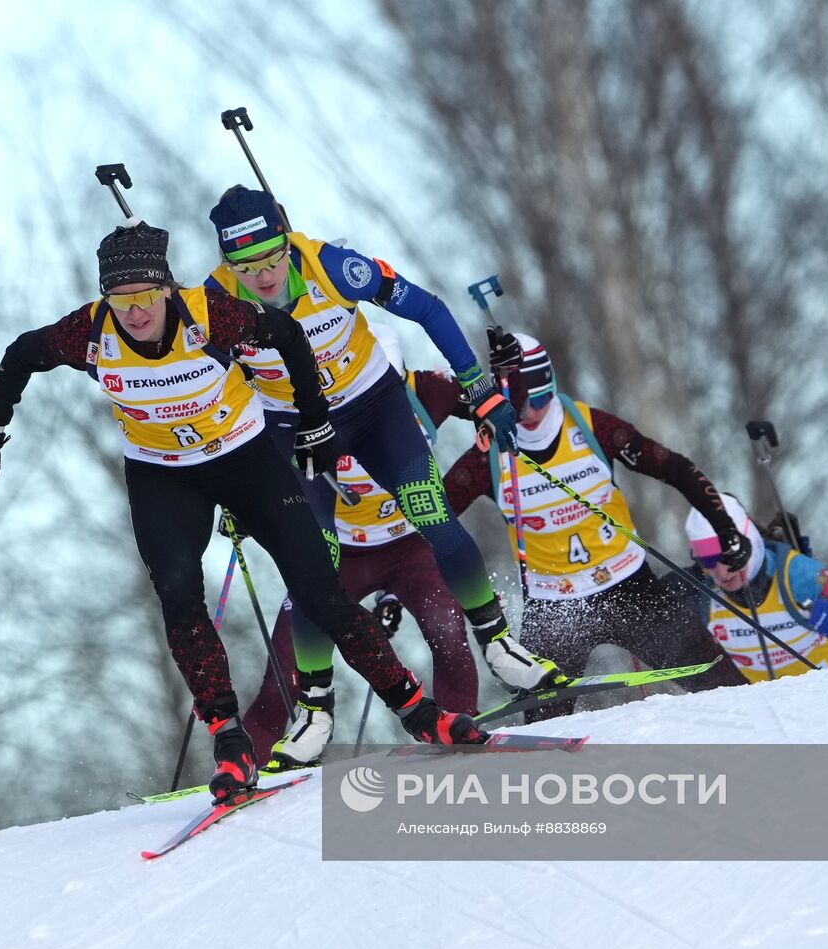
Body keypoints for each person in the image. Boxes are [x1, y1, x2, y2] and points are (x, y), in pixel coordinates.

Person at [0, 220, 485, 805]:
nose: (134, 313)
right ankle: (230, 742)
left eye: (144, 297)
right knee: (180, 594)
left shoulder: (209, 314)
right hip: (162, 476)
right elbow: (19, 356)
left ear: (166, 290)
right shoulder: (89, 331)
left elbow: (287, 334)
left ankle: (418, 712)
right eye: (120, 299)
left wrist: (312, 421)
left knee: (320, 592)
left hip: (245, 461)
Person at [205, 188, 562, 767]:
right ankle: (316, 711)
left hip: (374, 409)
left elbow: (428, 308)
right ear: (227, 264)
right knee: (309, 562)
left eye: (272, 258)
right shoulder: (215, 304)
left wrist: (478, 385)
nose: (263, 276)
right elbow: (209, 391)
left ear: (286, 241)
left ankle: (498, 645)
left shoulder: (332, 266)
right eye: (246, 267)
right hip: (297, 431)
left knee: (434, 517)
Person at [443, 330, 747, 719]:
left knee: (727, 688)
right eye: (518, 396)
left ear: (549, 384)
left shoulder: (591, 427)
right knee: (543, 728)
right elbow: (436, 513)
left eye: (535, 392)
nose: (527, 407)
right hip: (554, 607)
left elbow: (675, 468)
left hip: (629, 587)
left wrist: (725, 529)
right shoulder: (488, 454)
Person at [241, 324, 482, 759]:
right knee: (288, 661)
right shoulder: (308, 411)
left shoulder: (426, 391)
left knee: (446, 625)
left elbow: (491, 396)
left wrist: (502, 389)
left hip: (409, 548)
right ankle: (248, 763)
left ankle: (458, 727)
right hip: (341, 555)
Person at [685, 494, 828, 680]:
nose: (720, 572)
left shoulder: (796, 573)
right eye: (707, 561)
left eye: (727, 557)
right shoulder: (701, 587)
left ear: (748, 541)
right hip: (777, 716)